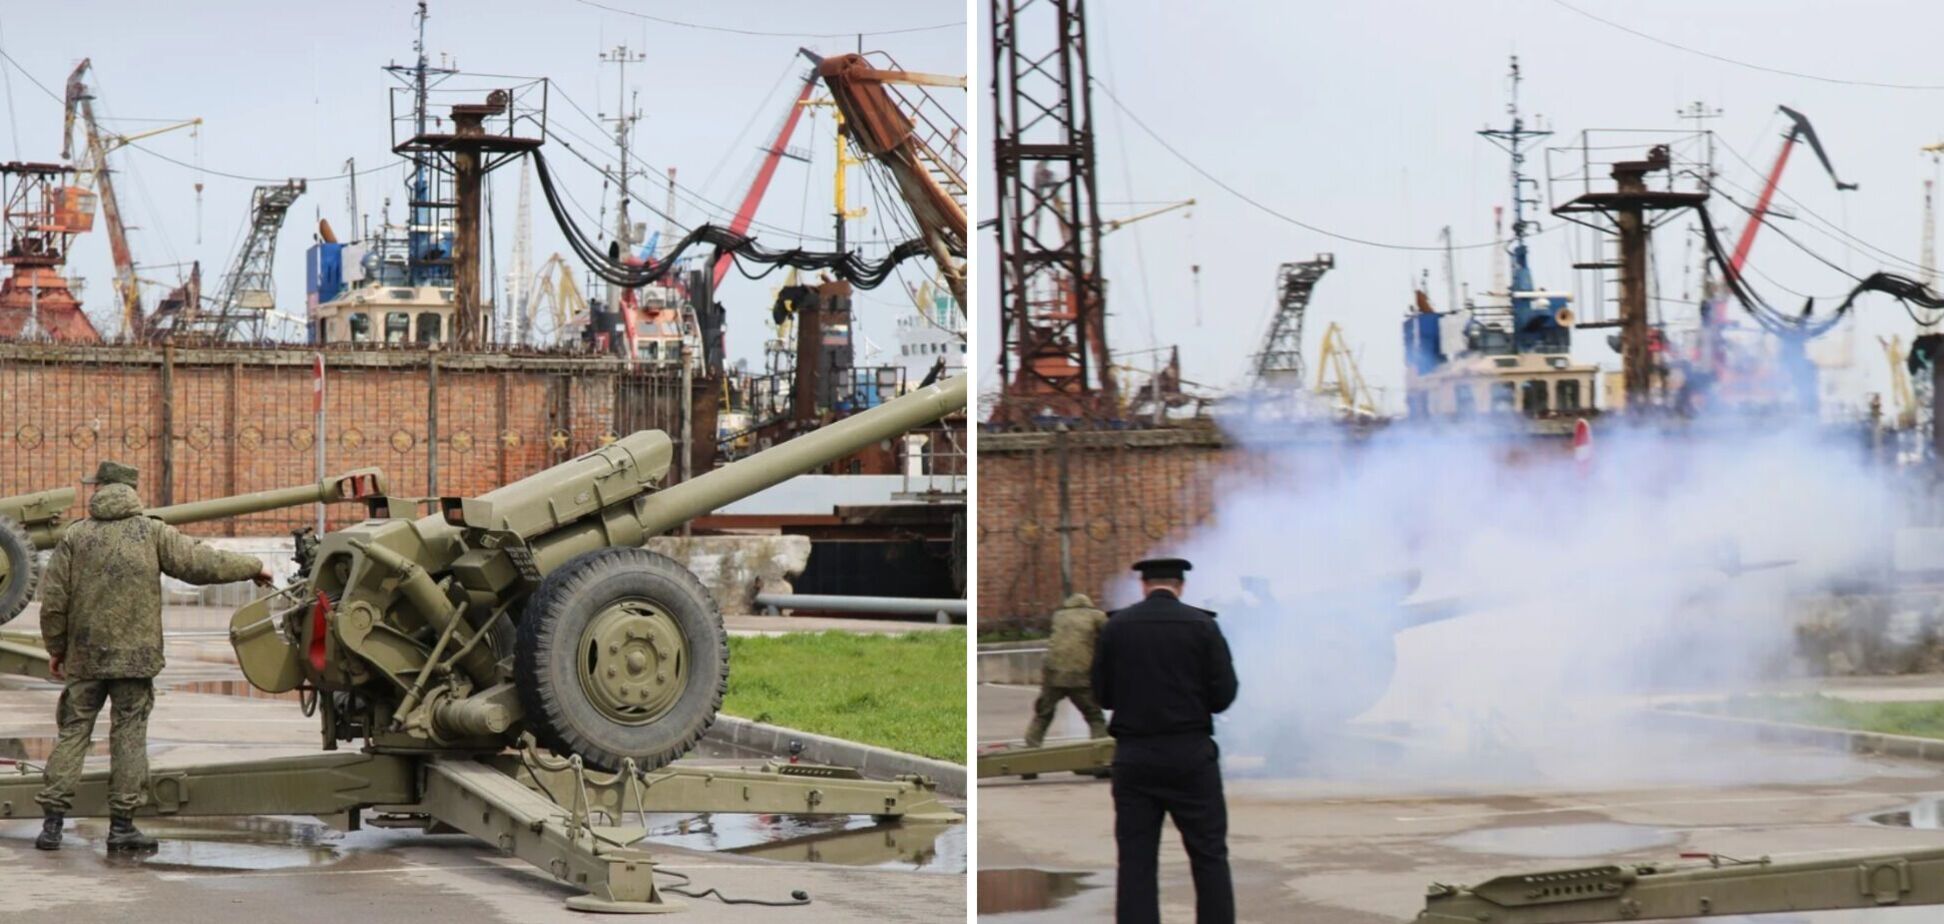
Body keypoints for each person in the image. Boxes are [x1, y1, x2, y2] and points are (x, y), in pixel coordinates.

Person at [34, 461, 271, 851]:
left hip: (85, 656)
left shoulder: (76, 537)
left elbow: (54, 602)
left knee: (74, 731)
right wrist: (254, 567)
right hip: (136, 658)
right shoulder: (151, 532)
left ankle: (52, 825)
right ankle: (122, 827)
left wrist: (56, 649)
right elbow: (200, 563)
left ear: (100, 490)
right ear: (131, 490)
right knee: (128, 734)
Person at [1093, 557, 1239, 924]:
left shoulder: (1117, 627)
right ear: (1181, 585)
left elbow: (1103, 695)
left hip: (1135, 756)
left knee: (1136, 859)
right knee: (1209, 855)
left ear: (1144, 586)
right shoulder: (1203, 626)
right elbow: (1224, 693)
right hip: (1191, 754)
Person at [1022, 592, 1109, 748]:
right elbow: (1109, 635)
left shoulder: (1059, 616)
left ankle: (1030, 747)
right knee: (1095, 716)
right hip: (1079, 675)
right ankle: (1100, 753)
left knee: (1043, 714)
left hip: (1052, 674)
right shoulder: (1096, 616)